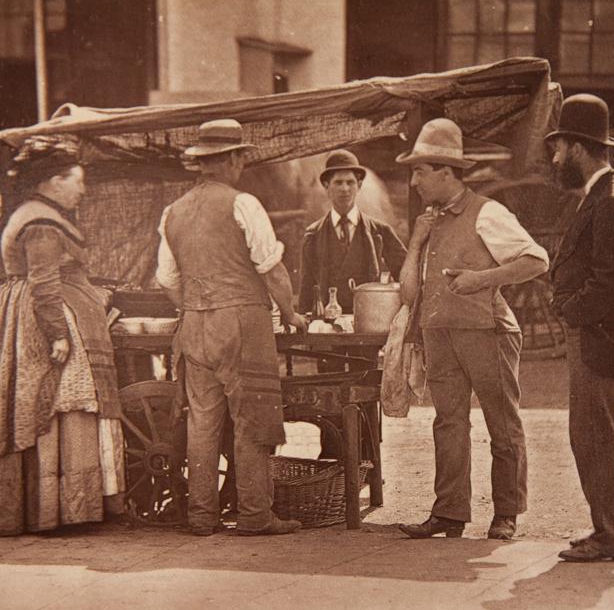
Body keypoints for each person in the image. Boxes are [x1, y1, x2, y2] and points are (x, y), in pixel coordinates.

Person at [396, 118, 549, 541]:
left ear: (446, 171)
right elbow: (409, 295)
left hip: (487, 331)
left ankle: (506, 514)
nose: (413, 182)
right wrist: (415, 242)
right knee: (448, 423)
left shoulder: (489, 212)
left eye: (420, 171)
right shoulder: (428, 221)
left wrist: (481, 280)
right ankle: (449, 514)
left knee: (502, 423)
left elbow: (537, 261)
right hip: (439, 334)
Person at [156, 119, 307, 536]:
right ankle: (255, 515)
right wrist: (291, 314)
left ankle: (201, 517)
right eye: (241, 156)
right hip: (241, 324)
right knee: (252, 420)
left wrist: (196, 306)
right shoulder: (244, 204)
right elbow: (272, 271)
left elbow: (167, 280)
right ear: (231, 159)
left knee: (202, 422)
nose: (243, 163)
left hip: (193, 326)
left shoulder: (173, 212)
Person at [0, 137, 125, 536]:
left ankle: (63, 507)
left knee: (52, 403)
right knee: (56, 401)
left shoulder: (37, 214)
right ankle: (57, 510)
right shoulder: (40, 222)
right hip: (43, 320)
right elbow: (44, 282)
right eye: (77, 181)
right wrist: (57, 334)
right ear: (54, 181)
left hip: (41, 312)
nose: (83, 190)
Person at [545, 94, 614, 563]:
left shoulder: (611, 202)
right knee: (594, 434)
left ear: (578, 147)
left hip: (597, 337)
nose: (556, 159)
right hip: (594, 334)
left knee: (595, 434)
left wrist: (570, 311)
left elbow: (613, 281)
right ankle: (611, 528)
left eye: (559, 149)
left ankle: (613, 535)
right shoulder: (602, 196)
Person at [298, 149, 407, 315]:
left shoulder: (380, 231)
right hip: (328, 326)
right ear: (326, 186)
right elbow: (306, 291)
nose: (345, 189)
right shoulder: (313, 235)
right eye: (338, 182)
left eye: (350, 182)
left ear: (360, 185)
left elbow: (406, 275)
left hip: (369, 323)